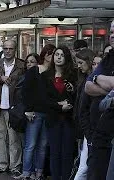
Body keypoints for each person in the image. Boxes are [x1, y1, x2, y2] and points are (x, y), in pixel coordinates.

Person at [0, 40, 25, 176]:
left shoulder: (21, 65)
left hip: (13, 107)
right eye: (6, 48)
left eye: (10, 48)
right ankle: (1, 164)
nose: (8, 51)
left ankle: (15, 165)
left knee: (14, 138)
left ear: (15, 50)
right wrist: (0, 78)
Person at [17, 44, 56, 180]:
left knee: (43, 145)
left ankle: (38, 172)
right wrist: (28, 110)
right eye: (49, 54)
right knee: (31, 144)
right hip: (34, 112)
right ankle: (27, 171)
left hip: (49, 113)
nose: (52, 57)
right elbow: (26, 91)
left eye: (54, 54)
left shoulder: (55, 72)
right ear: (44, 55)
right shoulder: (34, 70)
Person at [84, 20, 114, 180]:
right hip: (100, 131)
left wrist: (98, 79)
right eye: (111, 33)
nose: (112, 36)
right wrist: (99, 78)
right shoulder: (108, 58)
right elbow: (88, 86)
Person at [41, 45, 76, 180]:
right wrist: (58, 106)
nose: (59, 57)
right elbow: (43, 100)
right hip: (53, 119)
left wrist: (72, 90)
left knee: (67, 153)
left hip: (69, 119)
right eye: (57, 55)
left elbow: (77, 98)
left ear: (66, 57)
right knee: (55, 152)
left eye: (62, 55)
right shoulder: (45, 76)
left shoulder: (73, 75)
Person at [73, 49, 96, 180]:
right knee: (83, 166)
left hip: (88, 127)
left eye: (81, 63)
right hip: (86, 128)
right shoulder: (84, 81)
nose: (79, 66)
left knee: (84, 167)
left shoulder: (89, 81)